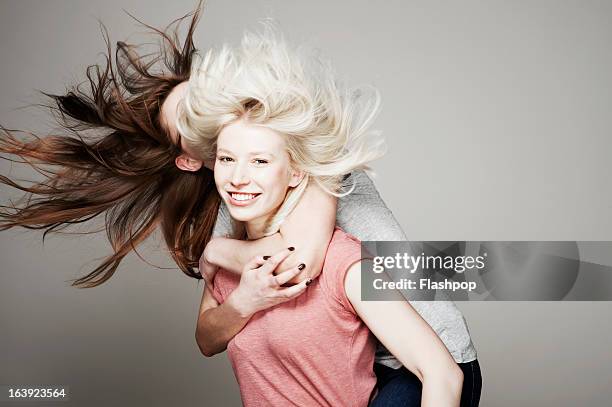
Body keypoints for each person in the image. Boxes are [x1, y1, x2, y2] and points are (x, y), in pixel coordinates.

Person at [0, 6, 480, 406]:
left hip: (429, 356)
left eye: (209, 96)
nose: (218, 108)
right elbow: (211, 333)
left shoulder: (307, 160)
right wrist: (222, 258)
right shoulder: (240, 203)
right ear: (193, 158)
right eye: (194, 116)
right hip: (369, 355)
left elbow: (299, 261)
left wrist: (218, 254)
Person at [177, 24, 475, 406]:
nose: (237, 178)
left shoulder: (340, 261)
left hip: (433, 350)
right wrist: (244, 298)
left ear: (297, 172)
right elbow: (206, 338)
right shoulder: (232, 249)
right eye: (226, 159)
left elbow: (443, 373)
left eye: (260, 161)